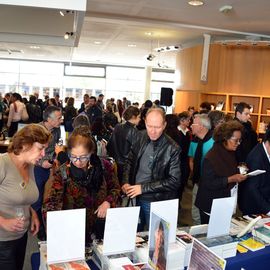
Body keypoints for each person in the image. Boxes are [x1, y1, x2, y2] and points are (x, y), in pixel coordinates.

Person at [43, 126, 121, 243]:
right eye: (73, 157)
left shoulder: (104, 166)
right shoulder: (63, 172)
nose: (78, 162)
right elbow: (51, 203)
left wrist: (108, 202)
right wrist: (57, 227)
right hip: (73, 231)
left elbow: (115, 188)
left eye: (83, 157)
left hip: (101, 227)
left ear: (91, 152)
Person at [0, 124, 51, 270]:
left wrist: (32, 212)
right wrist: (2, 221)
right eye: (41, 148)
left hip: (20, 237)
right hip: (2, 241)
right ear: (25, 144)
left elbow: (21, 195)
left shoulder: (29, 166)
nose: (43, 154)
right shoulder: (3, 163)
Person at [122, 108, 181, 230]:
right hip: (134, 196)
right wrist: (126, 181)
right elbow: (129, 161)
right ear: (145, 122)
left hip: (156, 200)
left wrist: (142, 188)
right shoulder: (140, 135)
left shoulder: (173, 148)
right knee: (134, 233)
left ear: (164, 125)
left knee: (156, 237)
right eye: (149, 126)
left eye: (157, 127)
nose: (153, 131)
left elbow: (175, 181)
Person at [195, 121, 247, 224]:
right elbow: (209, 183)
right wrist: (232, 179)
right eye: (235, 140)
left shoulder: (229, 152)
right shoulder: (211, 157)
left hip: (224, 202)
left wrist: (240, 171)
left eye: (239, 140)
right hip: (211, 204)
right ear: (225, 138)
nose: (238, 143)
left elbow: (228, 170)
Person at [32, 106, 63, 240]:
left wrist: (53, 160)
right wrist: (41, 163)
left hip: (50, 166)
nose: (61, 120)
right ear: (48, 119)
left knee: (51, 196)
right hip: (37, 166)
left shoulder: (57, 131)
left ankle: (49, 225)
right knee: (38, 198)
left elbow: (55, 148)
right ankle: (39, 228)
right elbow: (29, 152)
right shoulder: (35, 131)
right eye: (59, 118)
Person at [188, 114, 214, 225]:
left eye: (193, 124)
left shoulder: (214, 142)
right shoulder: (195, 141)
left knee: (206, 212)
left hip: (210, 185)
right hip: (198, 182)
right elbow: (191, 160)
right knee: (195, 211)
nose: (190, 126)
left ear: (201, 126)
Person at [239, 129, 270, 215]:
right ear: (268, 142)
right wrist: (268, 210)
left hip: (263, 202)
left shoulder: (265, 151)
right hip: (254, 207)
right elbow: (252, 188)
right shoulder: (257, 157)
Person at [107, 106, 141, 185]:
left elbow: (109, 145)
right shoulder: (135, 132)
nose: (140, 119)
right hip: (127, 167)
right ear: (133, 117)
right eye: (139, 117)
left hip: (114, 163)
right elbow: (136, 153)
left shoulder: (118, 126)